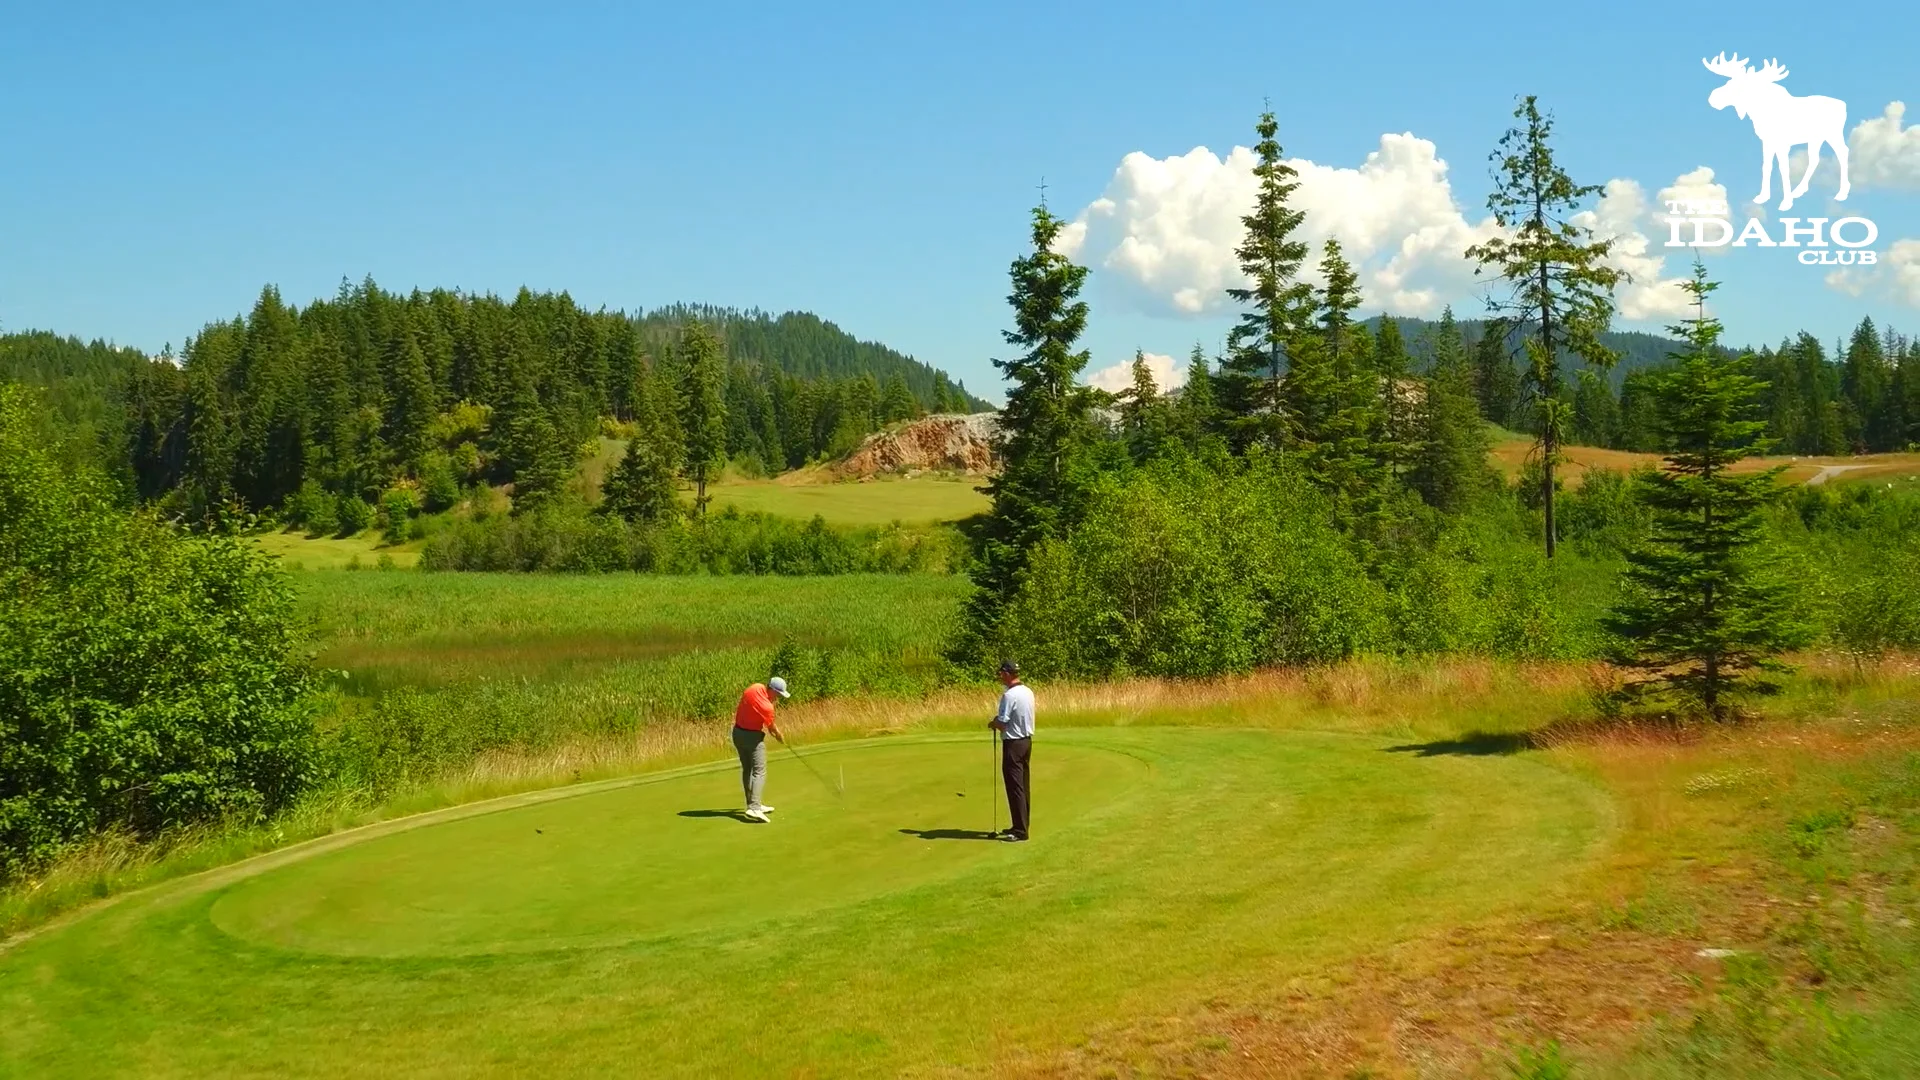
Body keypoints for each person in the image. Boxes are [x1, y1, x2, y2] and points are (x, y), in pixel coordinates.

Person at [732, 676, 790, 822]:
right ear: (772, 690)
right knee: (759, 771)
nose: (778, 698)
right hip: (752, 738)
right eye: (778, 694)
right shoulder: (767, 706)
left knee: (748, 769)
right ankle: (754, 807)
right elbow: (771, 729)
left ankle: (752, 804)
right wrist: (780, 736)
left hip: (737, 733)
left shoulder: (754, 688)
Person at [988, 659, 1034, 842]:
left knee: (1015, 787)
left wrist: (992, 723)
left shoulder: (1009, 695)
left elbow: (1002, 723)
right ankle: (1019, 825)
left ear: (1007, 674)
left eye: (1001, 673)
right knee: (1023, 786)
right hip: (1026, 742)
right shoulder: (1028, 691)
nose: (1000, 676)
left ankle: (1020, 831)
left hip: (1013, 744)